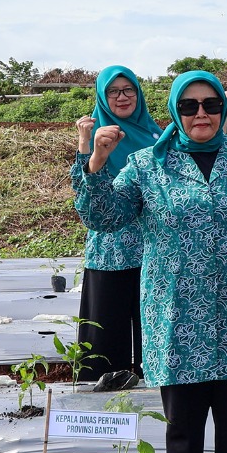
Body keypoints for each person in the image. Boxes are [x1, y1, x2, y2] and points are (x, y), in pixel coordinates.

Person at [75, 71, 227, 453]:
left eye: (211, 105)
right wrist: (95, 162)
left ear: (224, 110)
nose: (201, 114)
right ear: (176, 111)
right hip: (176, 311)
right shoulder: (147, 164)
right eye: (189, 106)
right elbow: (103, 218)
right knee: (182, 423)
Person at [70, 66, 162, 384]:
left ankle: (161, 400)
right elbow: (82, 192)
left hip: (154, 251)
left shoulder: (157, 137)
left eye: (128, 90)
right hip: (110, 252)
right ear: (102, 96)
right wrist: (89, 148)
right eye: (113, 91)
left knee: (155, 332)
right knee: (105, 338)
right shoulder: (97, 135)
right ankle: (100, 405)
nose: (122, 97)